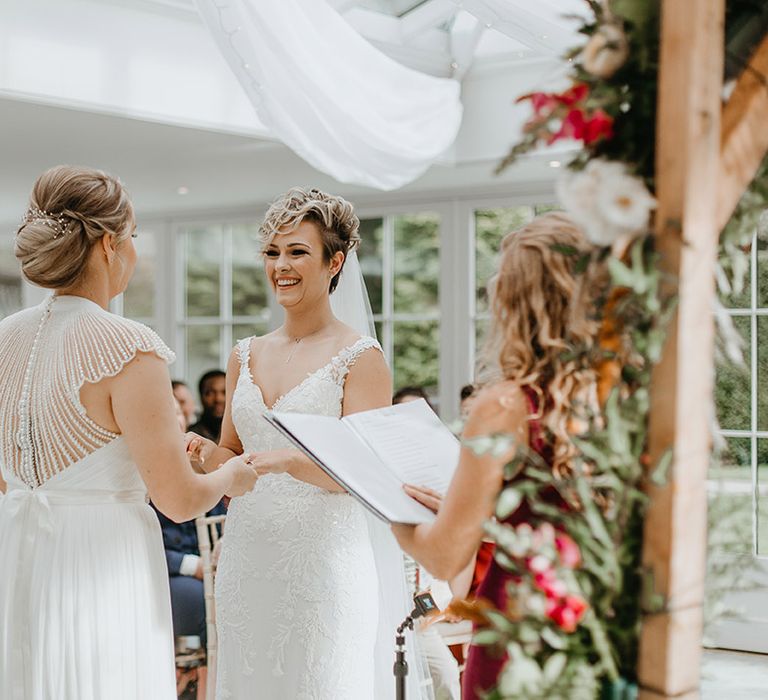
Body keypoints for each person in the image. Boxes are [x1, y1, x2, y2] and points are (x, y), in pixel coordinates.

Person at [0, 166, 259, 700]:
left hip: (16, 559)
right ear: (109, 244)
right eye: (134, 237)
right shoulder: (126, 347)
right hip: (102, 566)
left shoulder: (5, 337)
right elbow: (180, 499)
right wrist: (233, 472)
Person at [187, 187, 419, 699]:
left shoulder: (360, 358)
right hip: (248, 560)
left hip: (325, 566)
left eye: (297, 252)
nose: (280, 266)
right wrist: (205, 454)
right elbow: (233, 455)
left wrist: (293, 461)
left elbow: (364, 479)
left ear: (335, 262)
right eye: (272, 252)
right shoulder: (243, 354)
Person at [391, 213, 600, 699]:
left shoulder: (504, 405)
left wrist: (390, 508)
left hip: (517, 629)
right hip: (593, 621)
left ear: (513, 304)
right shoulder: (617, 397)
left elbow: (444, 557)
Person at [188, 370, 226, 442]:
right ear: (201, 396)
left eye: (224, 392)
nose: (218, 399)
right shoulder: (190, 435)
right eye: (210, 393)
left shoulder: (242, 434)